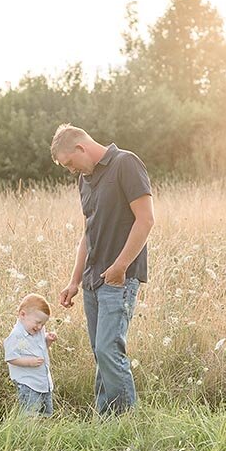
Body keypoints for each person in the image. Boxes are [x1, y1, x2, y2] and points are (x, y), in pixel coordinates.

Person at [51, 124, 154, 415]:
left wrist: (121, 266)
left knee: (110, 350)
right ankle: (106, 419)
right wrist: (74, 280)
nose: (70, 170)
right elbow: (88, 232)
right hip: (92, 281)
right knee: (101, 352)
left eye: (69, 163)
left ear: (81, 148)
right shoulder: (85, 180)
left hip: (119, 278)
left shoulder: (126, 163)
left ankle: (127, 422)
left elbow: (145, 220)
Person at [3, 293, 58, 416]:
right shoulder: (16, 335)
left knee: (45, 414)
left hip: (43, 382)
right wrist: (29, 362)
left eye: (43, 324)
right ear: (23, 315)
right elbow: (10, 357)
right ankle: (28, 433)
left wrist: (48, 340)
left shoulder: (38, 331)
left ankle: (42, 433)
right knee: (30, 413)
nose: (39, 327)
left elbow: (41, 349)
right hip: (28, 383)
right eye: (38, 322)